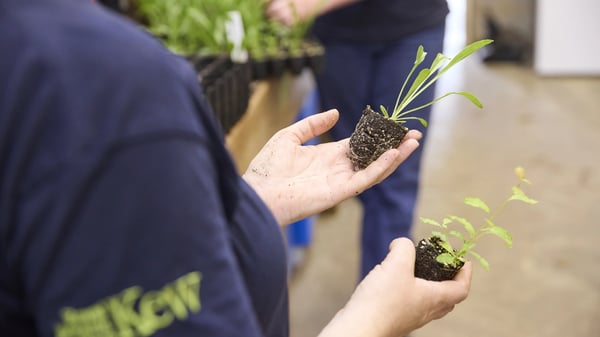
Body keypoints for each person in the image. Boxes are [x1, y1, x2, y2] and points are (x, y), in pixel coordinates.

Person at [0, 1, 471, 336]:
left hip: (404, 24)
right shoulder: (103, 88)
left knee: (393, 185)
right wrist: (373, 320)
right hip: (346, 34)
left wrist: (251, 202)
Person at [267, 0, 450, 278]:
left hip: (411, 25)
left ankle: (384, 300)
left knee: (394, 170)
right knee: (358, 163)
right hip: (339, 33)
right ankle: (387, 269)